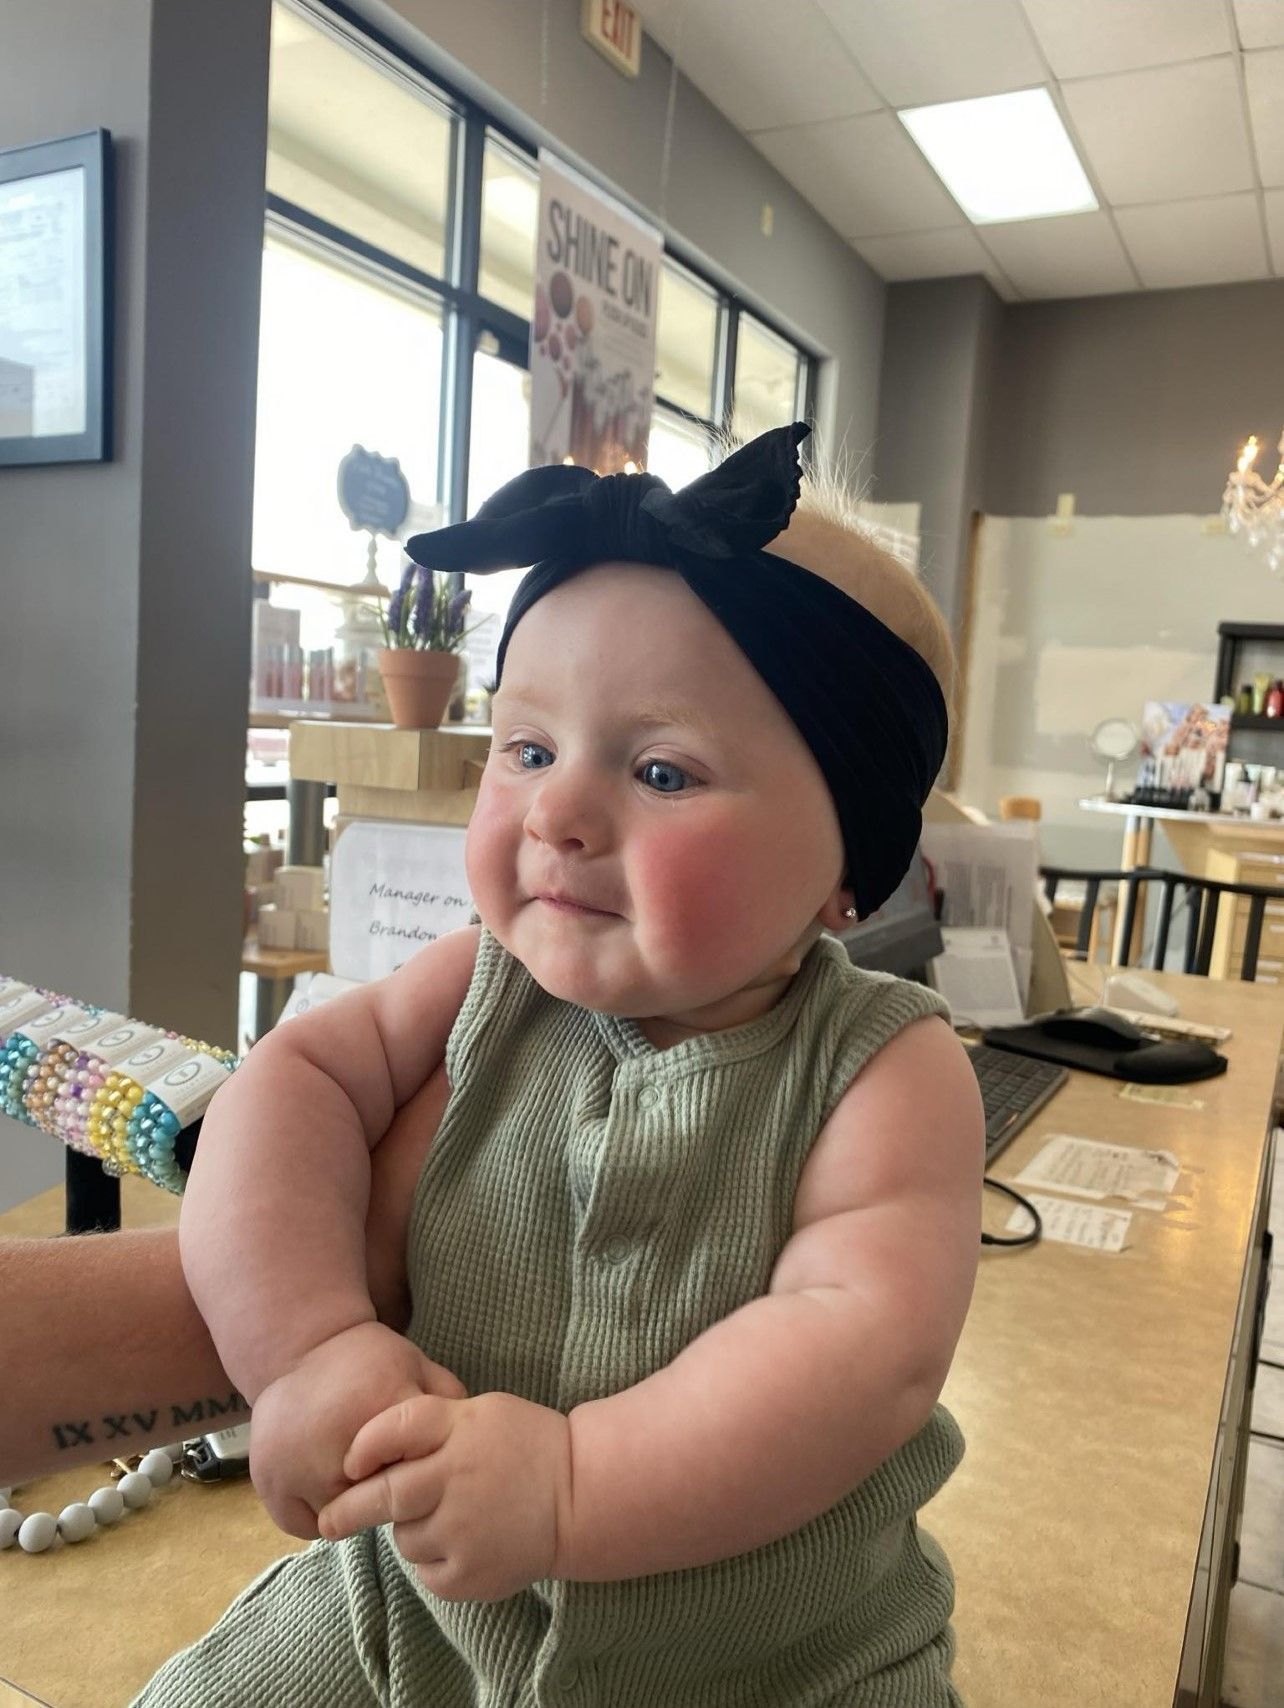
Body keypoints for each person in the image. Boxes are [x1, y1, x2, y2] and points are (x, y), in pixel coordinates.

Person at [13, 422, 985, 1706]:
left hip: (779, 1661)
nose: (556, 812)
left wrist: (574, 1487)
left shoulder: (885, 1068)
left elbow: (859, 1348)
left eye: (659, 768)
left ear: (846, 871)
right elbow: (287, 1089)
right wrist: (308, 1346)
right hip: (415, 1610)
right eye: (524, 748)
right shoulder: (481, 975)